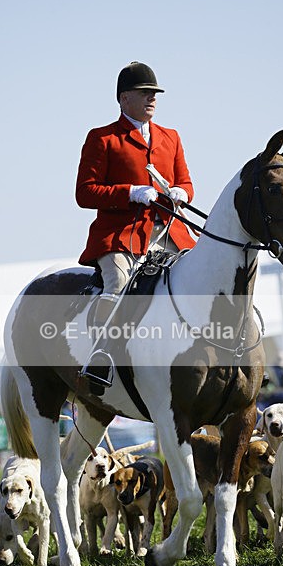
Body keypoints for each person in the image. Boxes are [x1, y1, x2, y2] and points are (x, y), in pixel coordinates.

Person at [75, 61, 196, 386]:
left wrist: (181, 193)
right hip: (120, 234)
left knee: (206, 275)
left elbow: (186, 182)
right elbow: (85, 193)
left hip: (170, 229)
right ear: (124, 98)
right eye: (144, 93)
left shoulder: (171, 137)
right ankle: (101, 356)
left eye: (154, 93)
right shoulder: (103, 139)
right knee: (118, 283)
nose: (152, 99)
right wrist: (130, 193)